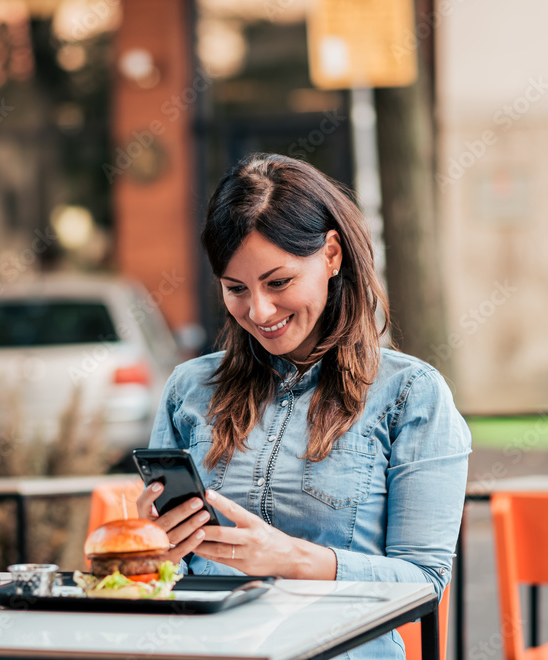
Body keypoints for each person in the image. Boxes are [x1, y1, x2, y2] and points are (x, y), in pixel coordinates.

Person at [136, 153, 470, 659]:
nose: (259, 311)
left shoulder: (411, 394)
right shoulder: (189, 387)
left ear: (332, 254)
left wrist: (291, 558)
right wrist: (152, 548)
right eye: (235, 290)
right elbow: (165, 575)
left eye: (278, 282)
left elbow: (423, 584)